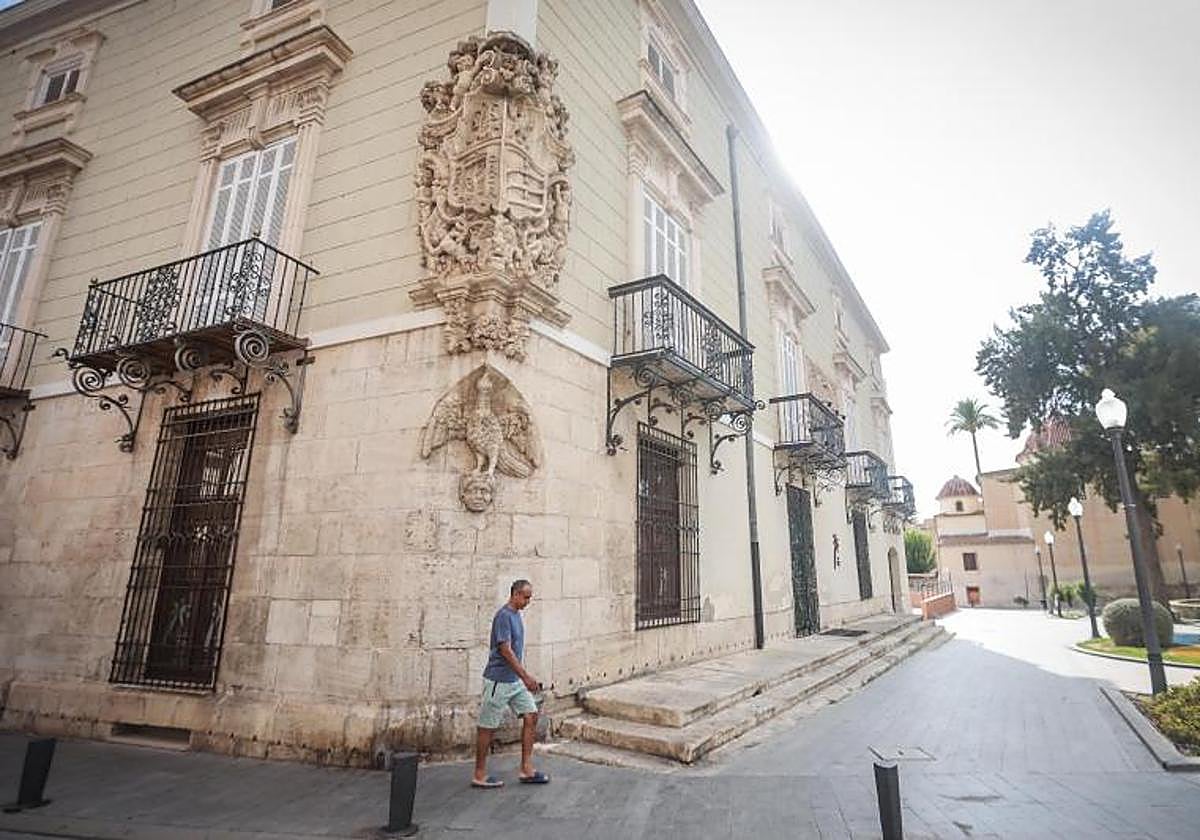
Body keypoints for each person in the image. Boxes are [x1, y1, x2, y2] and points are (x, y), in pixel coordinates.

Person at [472, 579, 549, 788]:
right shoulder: (504, 616)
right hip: (498, 680)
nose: (528, 601)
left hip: (513, 681)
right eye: (525, 597)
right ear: (515, 594)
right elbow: (505, 650)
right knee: (487, 726)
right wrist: (526, 676)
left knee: (531, 715)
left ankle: (526, 769)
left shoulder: (516, 616)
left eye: (530, 597)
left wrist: (521, 678)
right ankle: (479, 774)